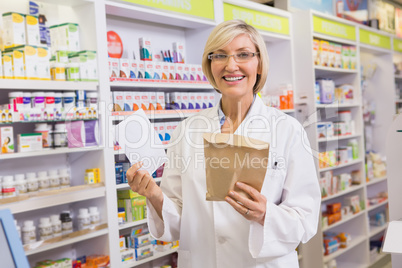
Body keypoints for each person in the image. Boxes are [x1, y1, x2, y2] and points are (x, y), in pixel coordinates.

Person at [126, 20, 321, 267]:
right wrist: (154, 194)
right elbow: (177, 220)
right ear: (210, 65)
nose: (231, 65)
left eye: (243, 54)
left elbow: (305, 219)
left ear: (259, 63)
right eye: (220, 55)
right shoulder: (186, 130)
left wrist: (266, 214)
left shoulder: (287, 130)